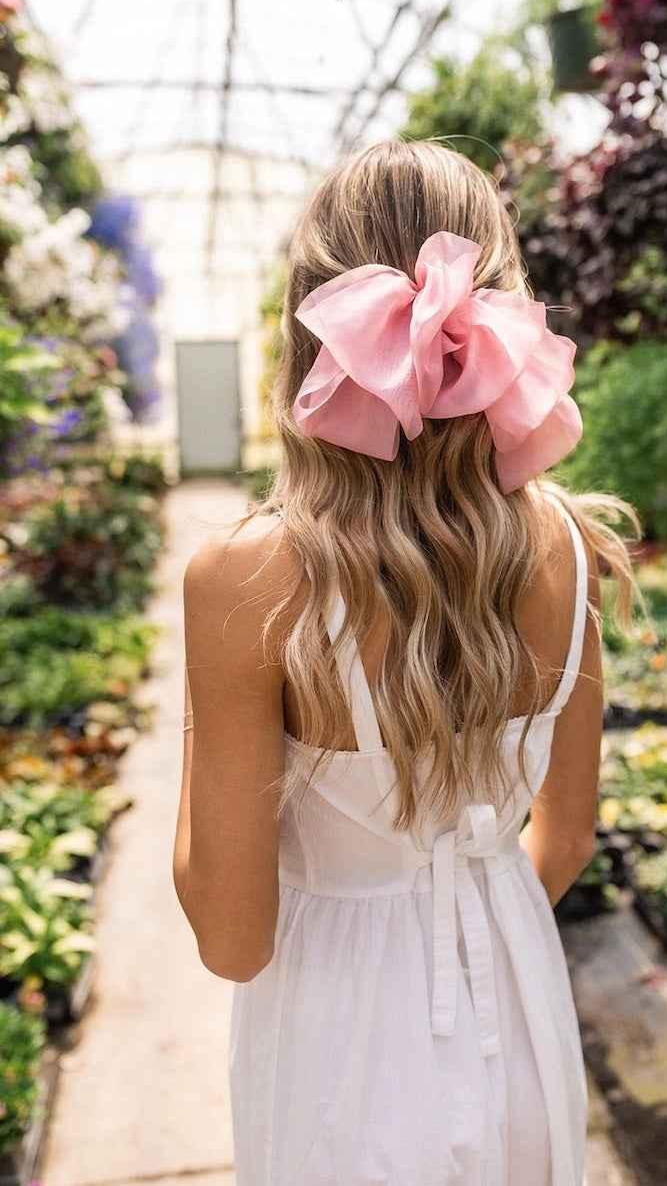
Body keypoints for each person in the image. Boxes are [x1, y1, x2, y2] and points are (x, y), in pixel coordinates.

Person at [173, 139, 639, 1186]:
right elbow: (561, 842)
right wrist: (467, 918)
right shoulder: (569, 544)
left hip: (335, 1040)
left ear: (309, 333)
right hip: (513, 999)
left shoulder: (248, 580)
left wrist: (204, 711)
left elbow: (232, 940)